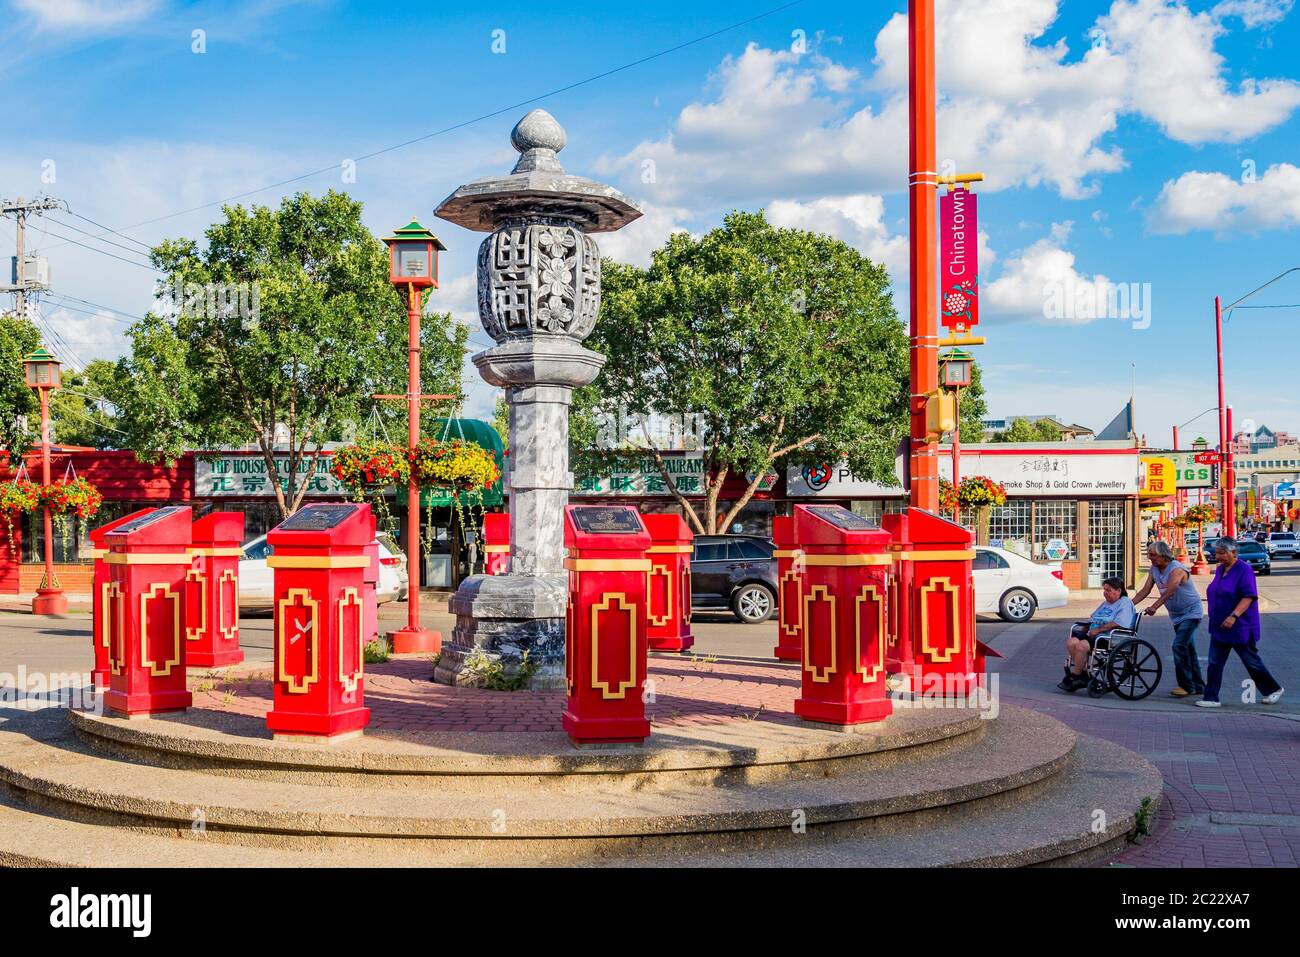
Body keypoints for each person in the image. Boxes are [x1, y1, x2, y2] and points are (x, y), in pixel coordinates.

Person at [1197, 537, 1284, 708]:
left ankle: (1273, 689)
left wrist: (1233, 615)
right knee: (1214, 662)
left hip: (1239, 626)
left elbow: (1249, 596)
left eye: (1222, 553)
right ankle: (1211, 697)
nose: (1218, 557)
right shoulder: (1221, 569)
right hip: (1219, 626)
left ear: (1234, 553)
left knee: (1250, 661)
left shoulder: (1244, 570)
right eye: (1217, 553)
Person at [1133, 539, 1205, 697]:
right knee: (1188, 649)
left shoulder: (1176, 569)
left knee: (1178, 646)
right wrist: (1128, 606)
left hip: (1191, 612)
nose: (1149, 557)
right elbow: (1145, 590)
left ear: (1163, 555)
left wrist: (1154, 607)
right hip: (1176, 615)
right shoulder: (1154, 569)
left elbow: (1170, 591)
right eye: (1148, 554)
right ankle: (1199, 686)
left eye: (1152, 554)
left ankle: (1186, 686)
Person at [1059, 577, 1137, 692]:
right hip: (1095, 634)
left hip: (1109, 637)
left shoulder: (1124, 603)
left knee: (1081, 646)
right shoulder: (1106, 603)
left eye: (1108, 590)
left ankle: (1075, 676)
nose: (1105, 593)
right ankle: (1083, 673)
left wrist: (1098, 630)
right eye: (1104, 590)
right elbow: (1093, 617)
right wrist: (1087, 627)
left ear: (1118, 591)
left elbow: (1118, 623)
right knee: (1071, 642)